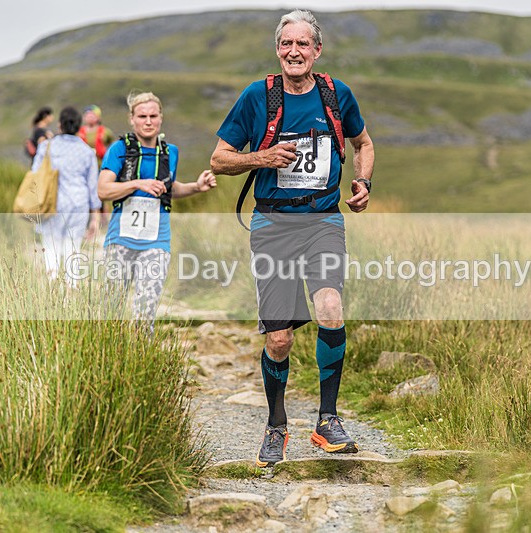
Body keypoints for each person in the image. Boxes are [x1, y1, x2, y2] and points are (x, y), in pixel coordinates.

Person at [210, 9, 375, 467]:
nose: (294, 52)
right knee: (279, 339)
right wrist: (263, 158)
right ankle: (276, 425)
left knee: (330, 307)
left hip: (322, 221)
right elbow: (220, 159)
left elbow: (363, 143)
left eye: (303, 44)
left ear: (317, 51)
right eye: (287, 44)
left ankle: (327, 421)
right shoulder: (256, 97)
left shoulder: (336, 95)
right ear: (277, 49)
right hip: (273, 226)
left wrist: (363, 183)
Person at [98, 91, 216, 331]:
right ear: (132, 119)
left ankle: (140, 362)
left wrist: (196, 187)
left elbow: (169, 188)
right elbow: (103, 190)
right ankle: (110, 363)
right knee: (111, 310)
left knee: (145, 311)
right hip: (120, 240)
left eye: (153, 115)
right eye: (142, 116)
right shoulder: (119, 149)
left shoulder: (171, 152)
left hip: (156, 243)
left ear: (161, 118)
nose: (148, 121)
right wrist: (137, 184)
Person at [32, 106, 101, 286]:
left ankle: (52, 288)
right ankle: (71, 291)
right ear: (79, 126)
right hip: (79, 203)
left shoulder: (47, 147)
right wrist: (95, 217)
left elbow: (35, 173)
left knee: (51, 246)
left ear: (60, 125)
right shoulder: (87, 151)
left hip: (52, 203)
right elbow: (93, 186)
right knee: (73, 248)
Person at [79, 105, 116, 223]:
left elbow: (113, 145)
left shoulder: (105, 132)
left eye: (92, 115)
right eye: (87, 115)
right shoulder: (79, 132)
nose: (89, 117)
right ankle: (88, 219)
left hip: (100, 167)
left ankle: (104, 219)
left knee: (101, 193)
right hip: (83, 168)